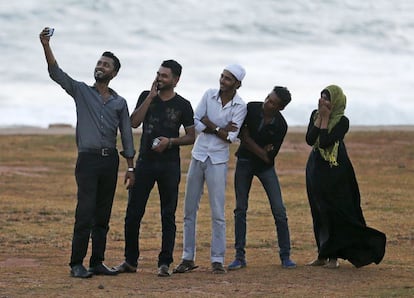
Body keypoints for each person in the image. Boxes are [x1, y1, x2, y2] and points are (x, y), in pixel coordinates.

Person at [39, 27, 136, 278]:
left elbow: (126, 135)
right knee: (85, 212)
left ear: (113, 72)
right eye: (99, 63)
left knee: (102, 215)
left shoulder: (119, 102)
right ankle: (76, 264)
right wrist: (46, 44)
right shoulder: (81, 90)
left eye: (106, 65)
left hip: (110, 160)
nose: (100, 66)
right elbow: (55, 73)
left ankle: (97, 262)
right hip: (88, 160)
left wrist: (131, 166)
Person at [113, 60, 195, 277]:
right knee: (133, 214)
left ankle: (165, 262)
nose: (160, 78)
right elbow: (133, 123)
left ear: (176, 80)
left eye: (165, 76)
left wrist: (170, 142)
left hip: (169, 166)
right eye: (158, 74)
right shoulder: (145, 96)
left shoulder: (183, 105)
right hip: (145, 164)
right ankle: (130, 261)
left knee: (168, 215)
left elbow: (191, 136)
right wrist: (150, 97)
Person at [174, 64, 247, 274]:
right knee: (189, 209)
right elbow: (196, 123)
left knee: (217, 211)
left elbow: (231, 137)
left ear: (238, 84)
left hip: (218, 160)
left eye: (228, 78)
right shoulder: (209, 94)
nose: (222, 81)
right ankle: (187, 257)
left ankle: (217, 259)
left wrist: (211, 125)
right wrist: (219, 128)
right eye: (222, 76)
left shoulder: (240, 106)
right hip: (199, 154)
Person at [305, 85, 386, 269]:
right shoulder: (314, 115)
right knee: (318, 210)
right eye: (321, 97)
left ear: (336, 102)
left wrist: (325, 119)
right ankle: (322, 254)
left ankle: (334, 257)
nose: (322, 102)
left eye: (327, 99)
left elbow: (325, 143)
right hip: (316, 168)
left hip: (336, 169)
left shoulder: (343, 121)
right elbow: (310, 140)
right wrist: (319, 118)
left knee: (335, 210)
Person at [228, 86, 297, 270]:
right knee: (240, 209)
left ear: (280, 108)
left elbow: (268, 157)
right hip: (244, 162)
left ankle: (285, 255)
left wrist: (249, 141)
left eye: (273, 102)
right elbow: (238, 134)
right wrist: (258, 147)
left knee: (279, 210)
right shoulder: (251, 108)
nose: (267, 102)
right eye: (268, 97)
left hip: (266, 168)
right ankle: (239, 256)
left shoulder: (281, 126)